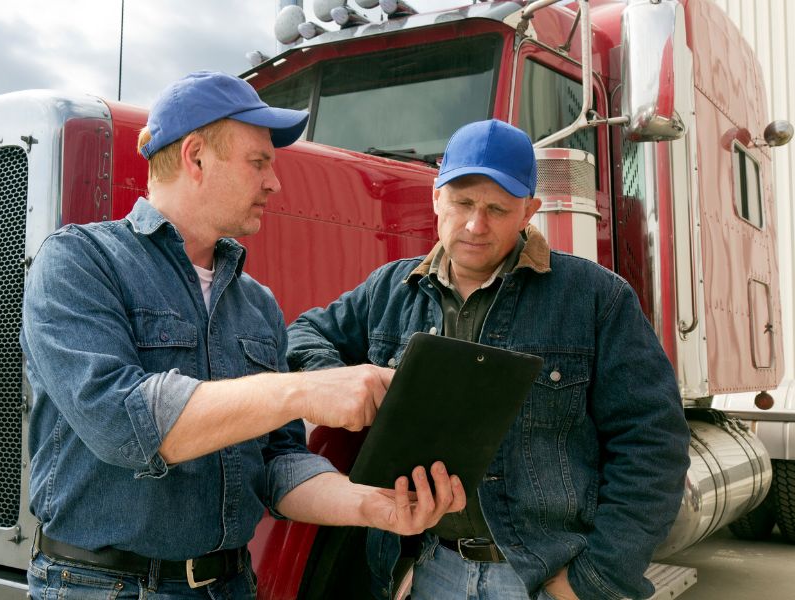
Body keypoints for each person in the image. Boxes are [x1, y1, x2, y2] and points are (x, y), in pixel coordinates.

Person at [19, 71, 465, 600]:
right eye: (260, 162)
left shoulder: (257, 304)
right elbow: (123, 423)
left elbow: (276, 464)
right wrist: (301, 391)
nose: (274, 183)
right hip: (103, 586)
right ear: (196, 156)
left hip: (230, 586)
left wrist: (370, 506)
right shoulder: (79, 261)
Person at [286, 119, 691, 600]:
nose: (476, 225)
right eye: (463, 203)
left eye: (498, 209)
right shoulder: (390, 289)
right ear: (436, 197)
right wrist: (343, 384)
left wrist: (595, 579)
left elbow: (653, 444)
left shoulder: (596, 298)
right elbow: (303, 333)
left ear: (529, 212)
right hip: (431, 570)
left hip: (545, 578)